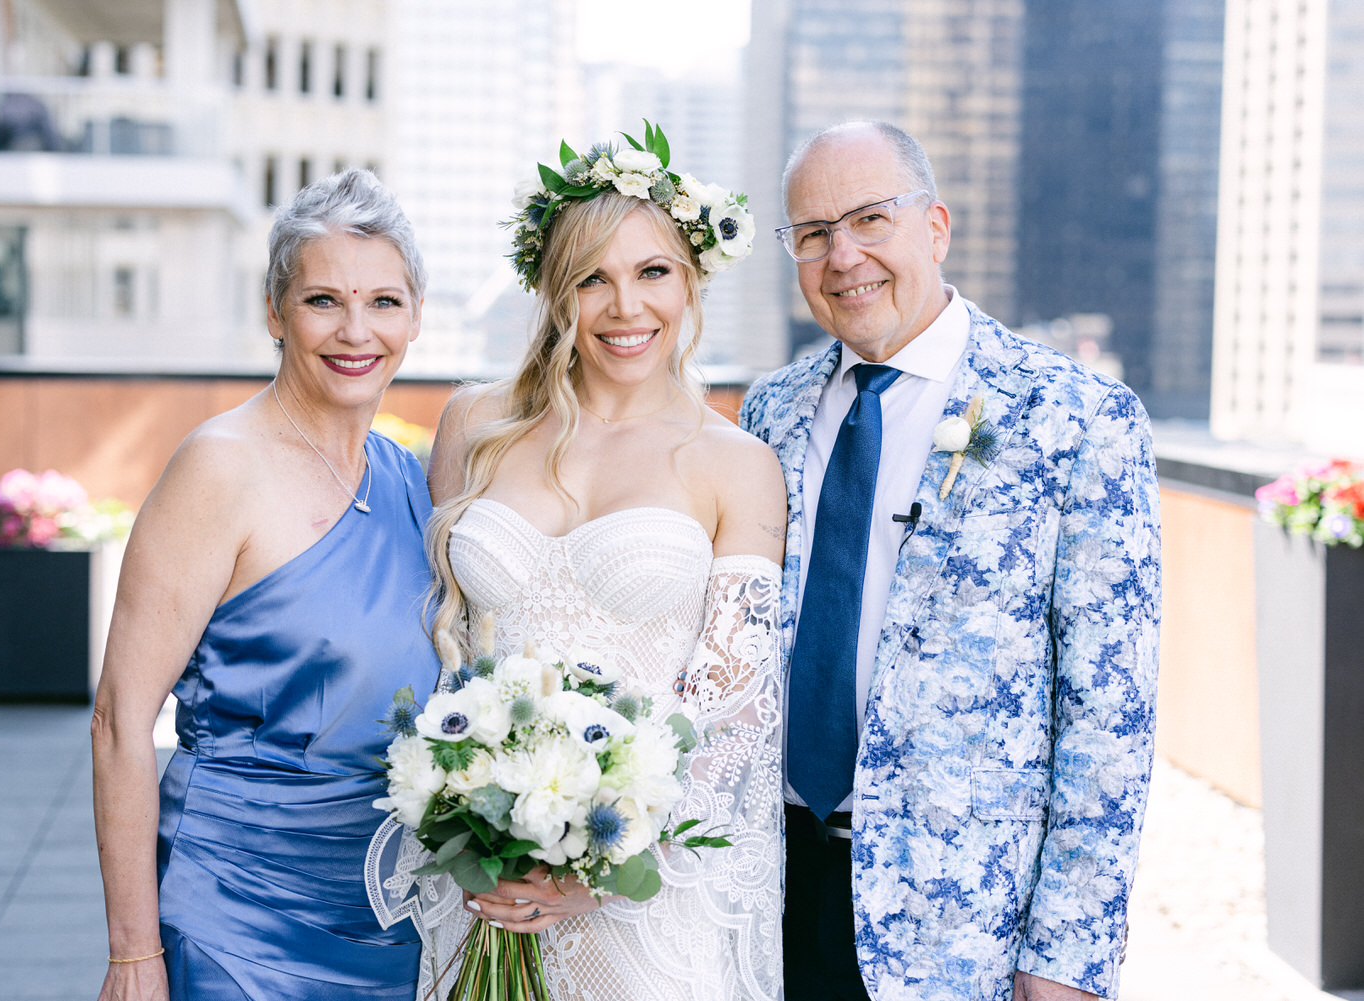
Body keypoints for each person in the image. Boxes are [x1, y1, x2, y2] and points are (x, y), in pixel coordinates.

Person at [740, 121, 1161, 1001]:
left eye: (868, 221)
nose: (842, 256)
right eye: (812, 235)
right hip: (762, 900)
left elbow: (1109, 714)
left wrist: (1068, 956)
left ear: (935, 227)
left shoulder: (1077, 417)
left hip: (962, 930)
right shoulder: (767, 412)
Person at [413, 130, 787, 1000]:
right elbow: (442, 653)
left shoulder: (736, 463)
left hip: (644, 899)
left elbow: (733, 719)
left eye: (653, 272)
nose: (626, 307)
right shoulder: (475, 425)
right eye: (593, 278)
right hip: (485, 882)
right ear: (555, 292)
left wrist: (604, 868)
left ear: (692, 279)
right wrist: (471, 817)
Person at [90, 168, 440, 1001]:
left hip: (389, 919)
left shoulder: (408, 479)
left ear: (417, 316)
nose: (356, 330)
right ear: (274, 311)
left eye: (384, 302)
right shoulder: (220, 469)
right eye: (323, 300)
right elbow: (118, 723)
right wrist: (135, 952)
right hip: (237, 916)